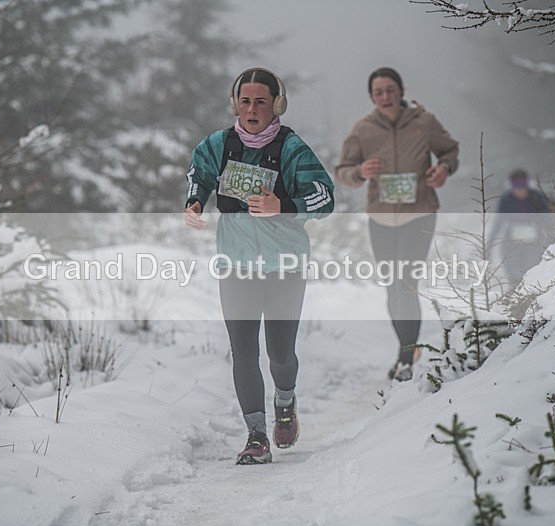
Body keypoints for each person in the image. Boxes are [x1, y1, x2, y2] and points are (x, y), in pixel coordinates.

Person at [183, 67, 334, 465]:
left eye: (261, 102)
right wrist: (194, 201)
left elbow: (325, 198)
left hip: (285, 266)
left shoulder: (292, 149)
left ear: (277, 105)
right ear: (236, 104)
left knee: (279, 355)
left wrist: (282, 205)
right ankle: (256, 435)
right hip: (236, 265)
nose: (252, 110)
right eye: (245, 101)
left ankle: (285, 402)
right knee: (244, 352)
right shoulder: (218, 144)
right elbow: (199, 173)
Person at [336, 67, 459, 382]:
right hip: (381, 218)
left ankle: (406, 358)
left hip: (419, 214)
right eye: (378, 92)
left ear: (401, 91)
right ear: (371, 97)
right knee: (392, 287)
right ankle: (407, 350)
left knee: (406, 284)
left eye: (390, 90)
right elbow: (343, 171)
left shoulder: (423, 122)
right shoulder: (363, 129)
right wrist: (361, 171)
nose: (385, 96)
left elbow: (449, 150)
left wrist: (443, 169)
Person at [489, 168, 550, 288]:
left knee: (532, 269)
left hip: (534, 238)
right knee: (511, 266)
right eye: (516, 186)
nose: (520, 190)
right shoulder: (506, 200)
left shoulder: (537, 198)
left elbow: (547, 220)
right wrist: (489, 244)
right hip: (512, 239)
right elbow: (498, 223)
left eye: (522, 185)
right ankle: (515, 288)